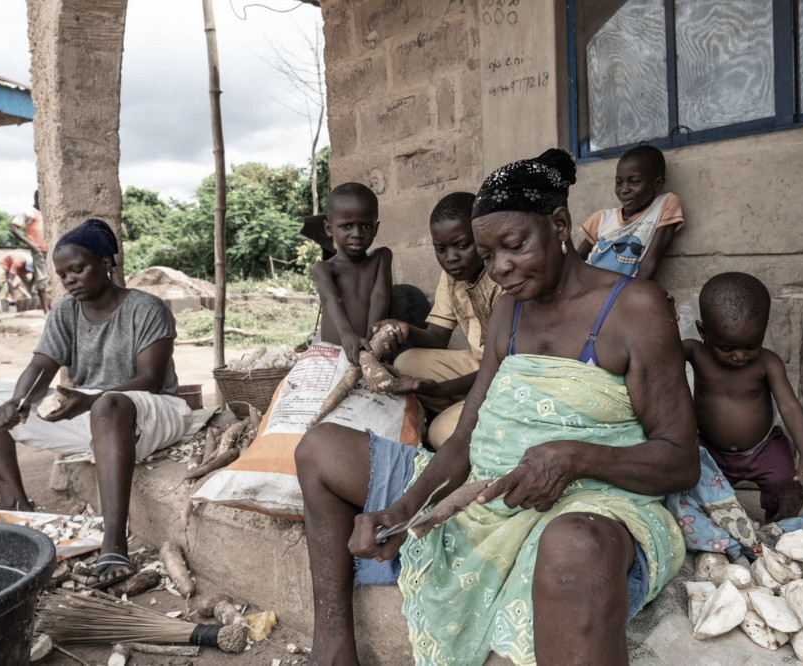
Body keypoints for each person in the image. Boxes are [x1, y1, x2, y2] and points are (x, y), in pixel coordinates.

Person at [296, 148, 698, 665]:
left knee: (575, 545)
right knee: (320, 449)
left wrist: (577, 458)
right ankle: (332, 651)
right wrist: (405, 508)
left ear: (558, 224)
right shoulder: (509, 309)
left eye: (513, 246)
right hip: (483, 488)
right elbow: (465, 439)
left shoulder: (635, 308)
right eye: (488, 256)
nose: (500, 269)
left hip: (592, 502)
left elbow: (680, 460)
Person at [0, 218, 192, 588]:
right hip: (89, 415)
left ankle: (114, 544)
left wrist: (89, 401)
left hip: (150, 412)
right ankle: (15, 502)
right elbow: (40, 368)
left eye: (78, 269)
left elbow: (149, 378)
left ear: (106, 263)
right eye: (62, 273)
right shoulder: (65, 313)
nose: (69, 280)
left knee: (108, 405)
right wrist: (19, 400)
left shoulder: (148, 308)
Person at [684, 272, 803, 523]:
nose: (740, 356)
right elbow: (659, 349)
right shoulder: (695, 352)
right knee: (692, 490)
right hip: (711, 449)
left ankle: (778, 528)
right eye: (727, 348)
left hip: (763, 448)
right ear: (703, 331)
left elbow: (790, 407)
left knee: (786, 485)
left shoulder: (767, 363)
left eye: (751, 346)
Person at [374, 191, 503, 449]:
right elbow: (437, 337)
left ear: (482, 237)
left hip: (505, 375)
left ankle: (465, 410)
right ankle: (464, 408)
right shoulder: (453, 276)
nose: (451, 257)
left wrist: (439, 389)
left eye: (462, 245)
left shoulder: (503, 278)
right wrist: (405, 329)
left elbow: (500, 368)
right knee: (406, 361)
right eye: (441, 249)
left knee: (440, 432)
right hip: (475, 365)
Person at [575, 145, 684, 280]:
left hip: (624, 290)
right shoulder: (602, 218)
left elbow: (651, 258)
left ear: (657, 184)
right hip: (589, 284)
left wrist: (637, 294)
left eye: (634, 182)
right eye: (619, 183)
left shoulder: (665, 205)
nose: (624, 190)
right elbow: (577, 260)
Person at [312, 182, 392, 364]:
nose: (357, 233)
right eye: (347, 226)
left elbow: (380, 296)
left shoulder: (381, 258)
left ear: (376, 228)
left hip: (371, 349)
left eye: (366, 226)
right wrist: (347, 334)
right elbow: (332, 299)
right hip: (332, 356)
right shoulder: (324, 268)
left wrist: (372, 342)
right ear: (329, 228)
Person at [11, 189, 51, 312]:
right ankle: (46, 310)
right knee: (41, 278)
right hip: (39, 250)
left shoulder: (46, 212)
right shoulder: (29, 212)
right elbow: (13, 228)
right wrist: (31, 244)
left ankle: (51, 307)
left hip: (50, 249)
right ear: (37, 198)